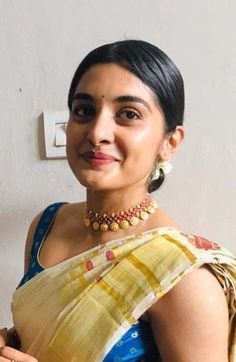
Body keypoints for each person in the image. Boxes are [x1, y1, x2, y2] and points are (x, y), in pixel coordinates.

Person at [0, 39, 235, 362]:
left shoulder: (183, 279)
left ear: (170, 141)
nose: (97, 132)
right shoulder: (46, 224)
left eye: (128, 114)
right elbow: (43, 340)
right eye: (84, 111)